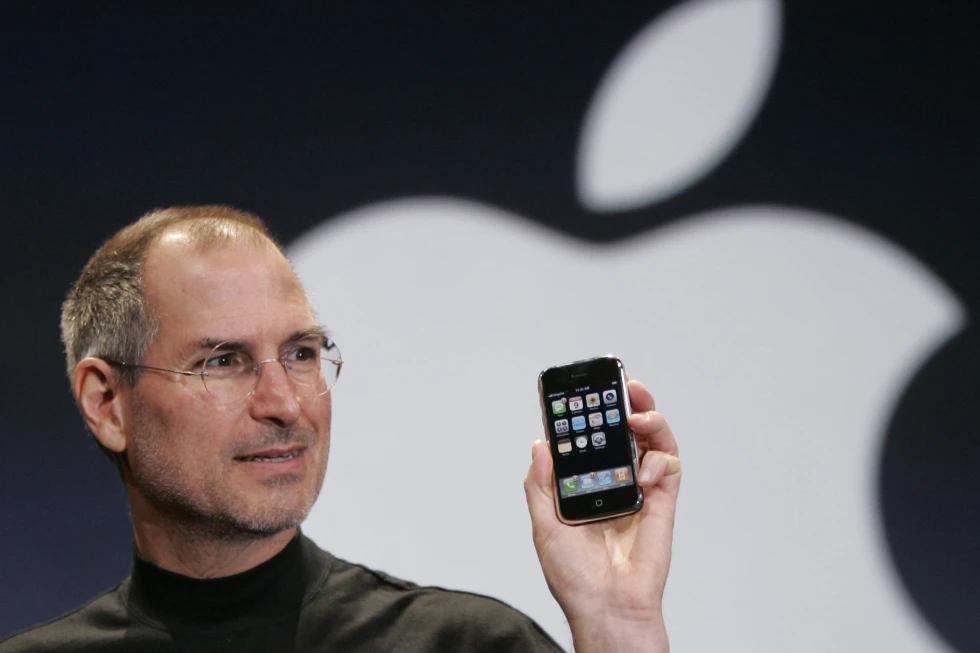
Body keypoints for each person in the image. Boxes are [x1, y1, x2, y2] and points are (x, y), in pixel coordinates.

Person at [0, 206, 682, 652]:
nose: (284, 402)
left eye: (300, 353)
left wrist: (618, 623)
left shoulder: (464, 645)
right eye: (223, 360)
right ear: (106, 403)